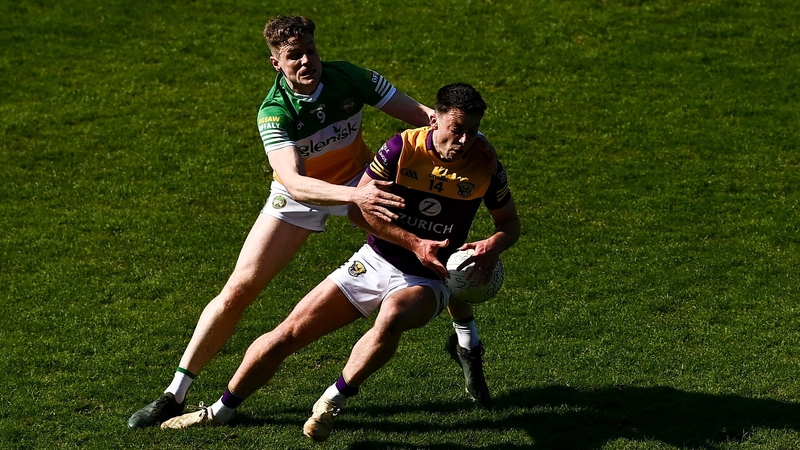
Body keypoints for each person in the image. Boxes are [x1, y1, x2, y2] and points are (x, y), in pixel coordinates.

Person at [127, 16, 488, 428]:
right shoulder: (275, 112)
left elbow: (425, 117)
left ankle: (466, 339)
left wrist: (462, 138)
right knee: (239, 288)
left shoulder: (348, 77)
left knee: (433, 248)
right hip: (309, 194)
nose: (306, 61)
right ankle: (175, 394)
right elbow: (297, 183)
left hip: (360, 179)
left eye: (310, 50)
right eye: (293, 56)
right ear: (275, 64)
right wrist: (357, 196)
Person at [158, 83, 521, 443]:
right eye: (457, 130)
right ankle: (220, 411)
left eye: (472, 132)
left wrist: (493, 244)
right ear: (435, 121)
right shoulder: (401, 149)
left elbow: (509, 224)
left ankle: (332, 400)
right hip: (374, 260)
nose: (464, 140)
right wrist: (414, 242)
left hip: (429, 276)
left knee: (393, 316)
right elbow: (356, 210)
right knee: (286, 334)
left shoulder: (485, 165)